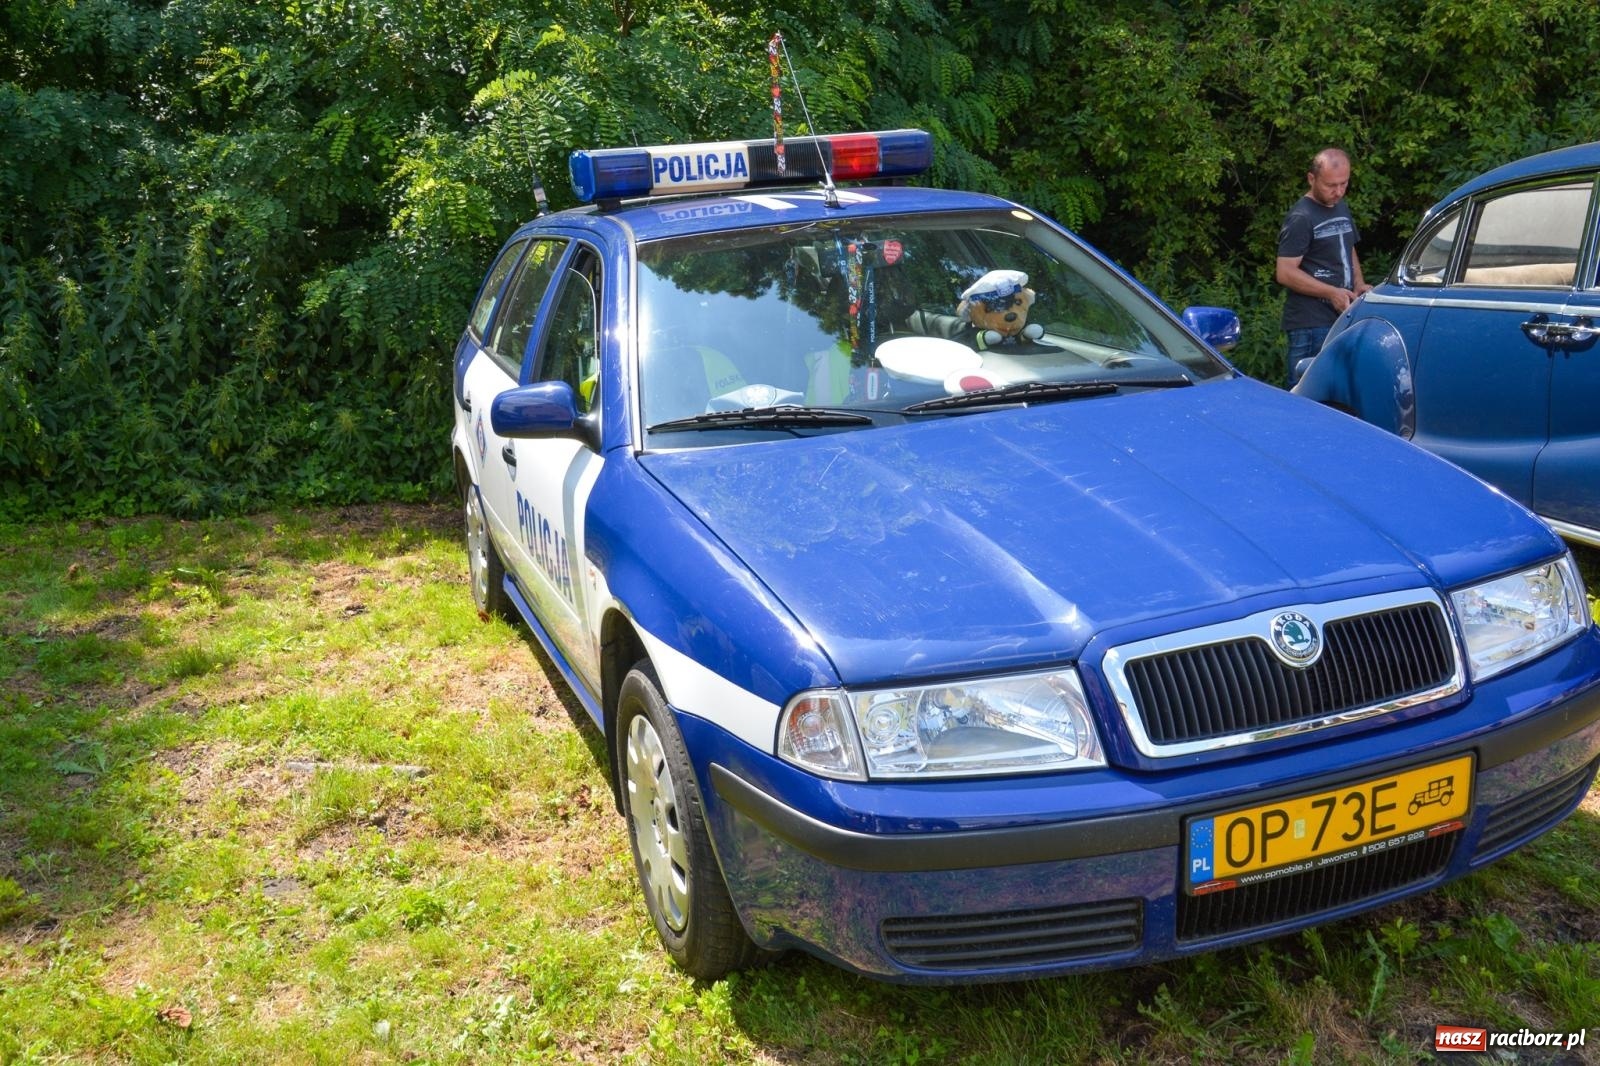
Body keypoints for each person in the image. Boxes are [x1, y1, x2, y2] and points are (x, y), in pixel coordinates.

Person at [1275, 147, 1372, 387]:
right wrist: (1331, 292)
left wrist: (1358, 283)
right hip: (1309, 324)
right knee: (1307, 396)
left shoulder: (1340, 206)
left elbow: (1349, 247)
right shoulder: (1301, 216)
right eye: (1331, 185)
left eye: (1344, 184)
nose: (1338, 192)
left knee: (1338, 392)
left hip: (1341, 317)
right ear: (1312, 178)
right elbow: (1285, 272)